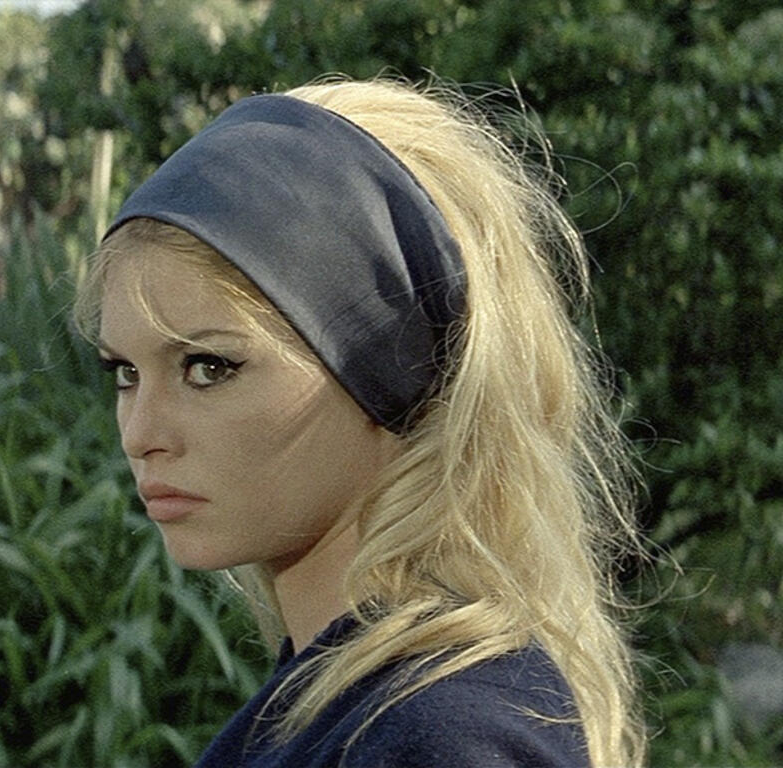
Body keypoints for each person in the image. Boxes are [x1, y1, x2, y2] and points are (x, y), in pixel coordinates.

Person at [75, 77, 646, 767]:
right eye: (124, 372)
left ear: (388, 363)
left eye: (208, 367)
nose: (140, 434)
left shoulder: (443, 737)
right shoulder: (345, 702)